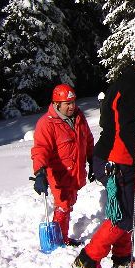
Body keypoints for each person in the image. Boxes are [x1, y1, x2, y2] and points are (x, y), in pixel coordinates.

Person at [72, 46, 135, 268]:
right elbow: (128, 130)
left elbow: (110, 123)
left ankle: (122, 259)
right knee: (121, 215)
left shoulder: (122, 84)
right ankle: (89, 259)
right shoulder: (133, 91)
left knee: (130, 207)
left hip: (112, 157)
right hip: (117, 161)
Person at [31, 84, 95, 247]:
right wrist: (40, 172)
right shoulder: (47, 124)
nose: (72, 106)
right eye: (68, 104)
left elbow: (87, 140)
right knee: (63, 205)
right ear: (57, 103)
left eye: (73, 102)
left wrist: (92, 160)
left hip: (76, 172)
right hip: (59, 174)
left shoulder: (79, 117)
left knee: (69, 203)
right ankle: (58, 241)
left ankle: (62, 236)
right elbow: (40, 149)